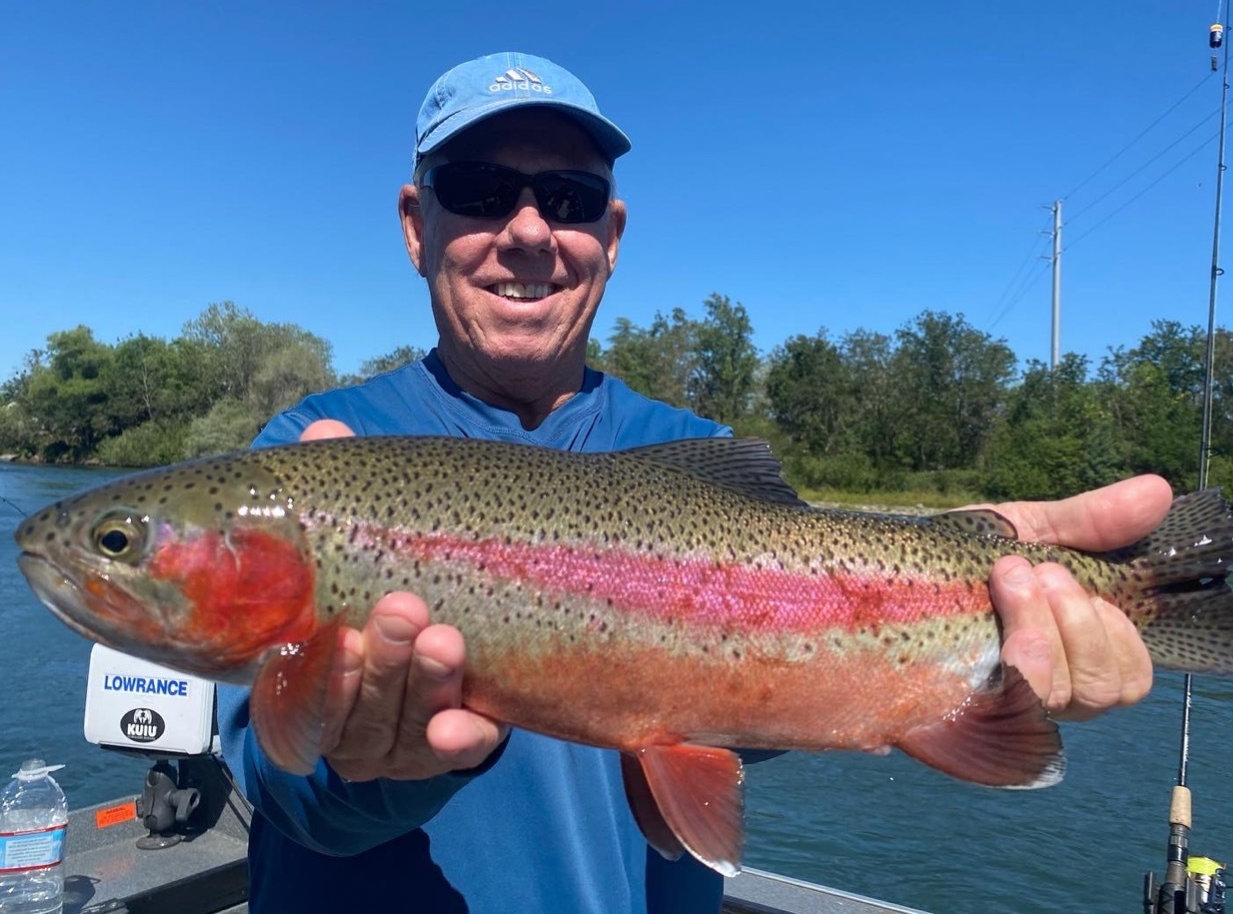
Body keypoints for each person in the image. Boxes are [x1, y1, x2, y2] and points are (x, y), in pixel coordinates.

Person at [218, 52, 1164, 913]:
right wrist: (362, 769)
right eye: (477, 189)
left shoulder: (697, 455)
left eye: (570, 196)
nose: (528, 230)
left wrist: (973, 616)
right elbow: (276, 787)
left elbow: (746, 719)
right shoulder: (311, 460)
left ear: (612, 235)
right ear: (416, 225)